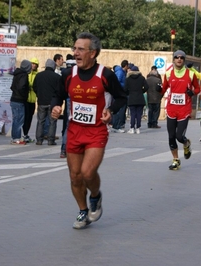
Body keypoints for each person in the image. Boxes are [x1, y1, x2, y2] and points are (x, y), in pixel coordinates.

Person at [51, 32, 127, 229]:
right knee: (75, 176)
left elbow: (121, 97)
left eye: (80, 49)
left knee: (87, 172)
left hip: (96, 131)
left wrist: (110, 111)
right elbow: (57, 95)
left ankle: (95, 196)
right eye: (74, 48)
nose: (75, 53)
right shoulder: (68, 74)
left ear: (92, 53)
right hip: (74, 130)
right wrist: (55, 106)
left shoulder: (106, 75)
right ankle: (83, 211)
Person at [160, 50, 200, 170]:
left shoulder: (190, 74)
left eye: (181, 57)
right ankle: (176, 160)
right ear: (173, 59)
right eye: (177, 57)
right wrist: (158, 90)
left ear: (184, 60)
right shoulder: (168, 74)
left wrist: (192, 92)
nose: (179, 59)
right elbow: (163, 89)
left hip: (184, 109)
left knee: (179, 136)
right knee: (171, 136)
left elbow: (198, 89)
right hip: (171, 109)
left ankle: (186, 143)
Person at [34, 59, 61, 145]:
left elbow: (34, 87)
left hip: (41, 102)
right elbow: (59, 90)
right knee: (52, 121)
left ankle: (39, 140)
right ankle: (50, 140)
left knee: (40, 121)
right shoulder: (57, 77)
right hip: (52, 103)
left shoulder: (38, 75)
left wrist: (39, 95)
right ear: (53, 66)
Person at [10, 59, 31, 145]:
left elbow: (12, 87)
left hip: (14, 99)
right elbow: (21, 87)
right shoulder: (24, 75)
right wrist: (24, 94)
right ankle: (16, 138)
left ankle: (15, 137)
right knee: (19, 120)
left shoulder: (17, 74)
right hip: (19, 100)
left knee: (16, 119)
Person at [59, 54, 76, 158]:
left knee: (68, 126)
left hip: (69, 100)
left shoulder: (64, 74)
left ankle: (63, 149)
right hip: (77, 100)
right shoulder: (76, 74)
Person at [125, 65, 148, 134]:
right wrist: (142, 91)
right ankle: (138, 128)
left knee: (132, 114)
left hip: (132, 97)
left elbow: (125, 89)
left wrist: (129, 93)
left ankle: (132, 128)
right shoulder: (142, 78)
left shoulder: (128, 79)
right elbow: (147, 87)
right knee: (139, 114)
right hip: (140, 98)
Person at [22, 57, 39, 143]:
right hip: (26, 99)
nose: (33, 66)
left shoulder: (37, 75)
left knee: (29, 119)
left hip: (33, 100)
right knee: (24, 118)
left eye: (35, 64)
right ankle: (23, 134)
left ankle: (26, 134)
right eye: (32, 64)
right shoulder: (26, 74)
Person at [111, 60, 129, 133]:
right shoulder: (120, 72)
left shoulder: (122, 72)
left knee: (119, 109)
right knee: (119, 109)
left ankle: (116, 125)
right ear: (126, 66)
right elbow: (117, 82)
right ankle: (117, 126)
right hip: (120, 93)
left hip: (120, 92)